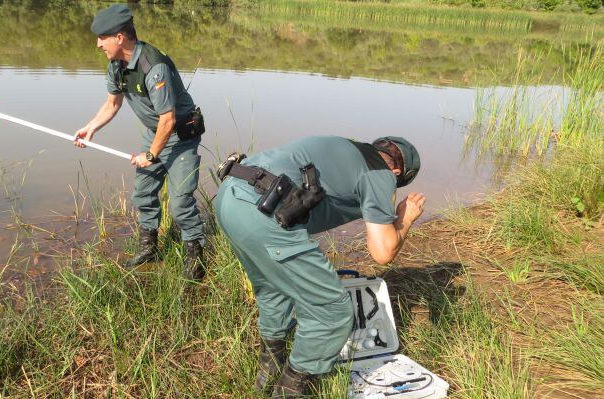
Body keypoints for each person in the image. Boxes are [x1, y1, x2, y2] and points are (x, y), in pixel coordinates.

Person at [214, 136, 425, 397]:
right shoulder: (380, 173)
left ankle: (267, 374)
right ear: (397, 172)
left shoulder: (348, 150)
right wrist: (406, 217)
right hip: (262, 210)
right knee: (332, 310)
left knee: (273, 288)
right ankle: (290, 390)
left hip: (229, 197)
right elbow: (382, 252)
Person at [75, 4, 206, 281]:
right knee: (143, 194)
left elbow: (168, 120)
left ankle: (195, 256)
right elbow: (112, 104)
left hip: (180, 137)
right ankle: (150, 248)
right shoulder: (116, 65)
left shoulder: (152, 65)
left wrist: (150, 154)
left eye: (102, 38)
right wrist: (90, 128)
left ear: (119, 37)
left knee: (181, 203)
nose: (98, 44)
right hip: (155, 133)